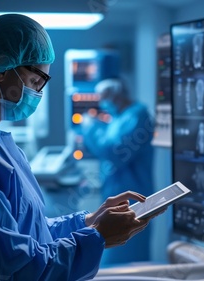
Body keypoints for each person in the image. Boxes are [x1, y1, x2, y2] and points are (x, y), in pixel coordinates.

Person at [0, 14, 156, 281]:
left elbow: (28, 235)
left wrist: (89, 222)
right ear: (0, 67)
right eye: (36, 81)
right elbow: (13, 270)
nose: (38, 93)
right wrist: (96, 238)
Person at [80, 78, 155, 266]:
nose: (103, 103)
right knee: (111, 254)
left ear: (117, 95)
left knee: (126, 261)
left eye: (105, 98)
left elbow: (114, 152)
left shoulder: (138, 115)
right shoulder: (119, 118)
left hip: (134, 199)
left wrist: (90, 126)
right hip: (116, 194)